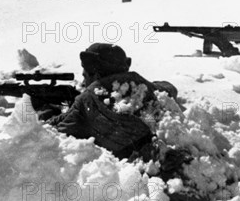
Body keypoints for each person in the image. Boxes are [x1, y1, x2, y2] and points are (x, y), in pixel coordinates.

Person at [39, 43, 177, 160]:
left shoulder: (87, 100)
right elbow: (170, 88)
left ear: (97, 75)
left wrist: (46, 113)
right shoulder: (142, 87)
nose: (83, 80)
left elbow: (50, 136)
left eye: (85, 75)